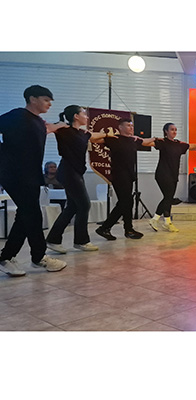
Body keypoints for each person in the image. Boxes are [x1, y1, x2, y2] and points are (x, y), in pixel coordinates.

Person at [0, 85, 68, 277]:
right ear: (32, 99)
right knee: (33, 215)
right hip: (15, 174)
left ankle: (6, 257)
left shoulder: (37, 121)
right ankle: (39, 257)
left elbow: (46, 129)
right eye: (46, 100)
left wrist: (60, 126)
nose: (49, 104)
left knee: (25, 215)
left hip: (30, 174)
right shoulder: (17, 115)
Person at [45, 105, 106, 254]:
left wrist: (109, 135)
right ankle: (81, 241)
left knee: (72, 206)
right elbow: (47, 128)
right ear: (76, 116)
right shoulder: (64, 130)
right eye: (84, 114)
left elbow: (94, 136)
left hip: (76, 172)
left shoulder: (83, 133)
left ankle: (53, 239)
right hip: (68, 171)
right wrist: (59, 125)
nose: (87, 116)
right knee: (84, 205)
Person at [95, 118, 155, 241]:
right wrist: (106, 135)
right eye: (128, 125)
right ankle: (124, 229)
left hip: (129, 176)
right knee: (125, 202)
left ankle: (110, 228)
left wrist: (155, 138)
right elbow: (93, 139)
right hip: (119, 176)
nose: (131, 128)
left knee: (125, 203)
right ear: (120, 127)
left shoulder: (133, 140)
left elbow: (145, 141)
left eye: (132, 126)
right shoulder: (114, 139)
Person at [148, 123, 196, 232]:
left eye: (175, 130)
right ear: (166, 131)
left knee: (168, 198)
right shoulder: (162, 142)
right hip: (162, 174)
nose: (174, 131)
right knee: (168, 197)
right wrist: (153, 138)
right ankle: (157, 219)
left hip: (173, 175)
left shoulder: (179, 144)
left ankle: (165, 221)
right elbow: (146, 143)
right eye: (172, 129)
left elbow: (190, 146)